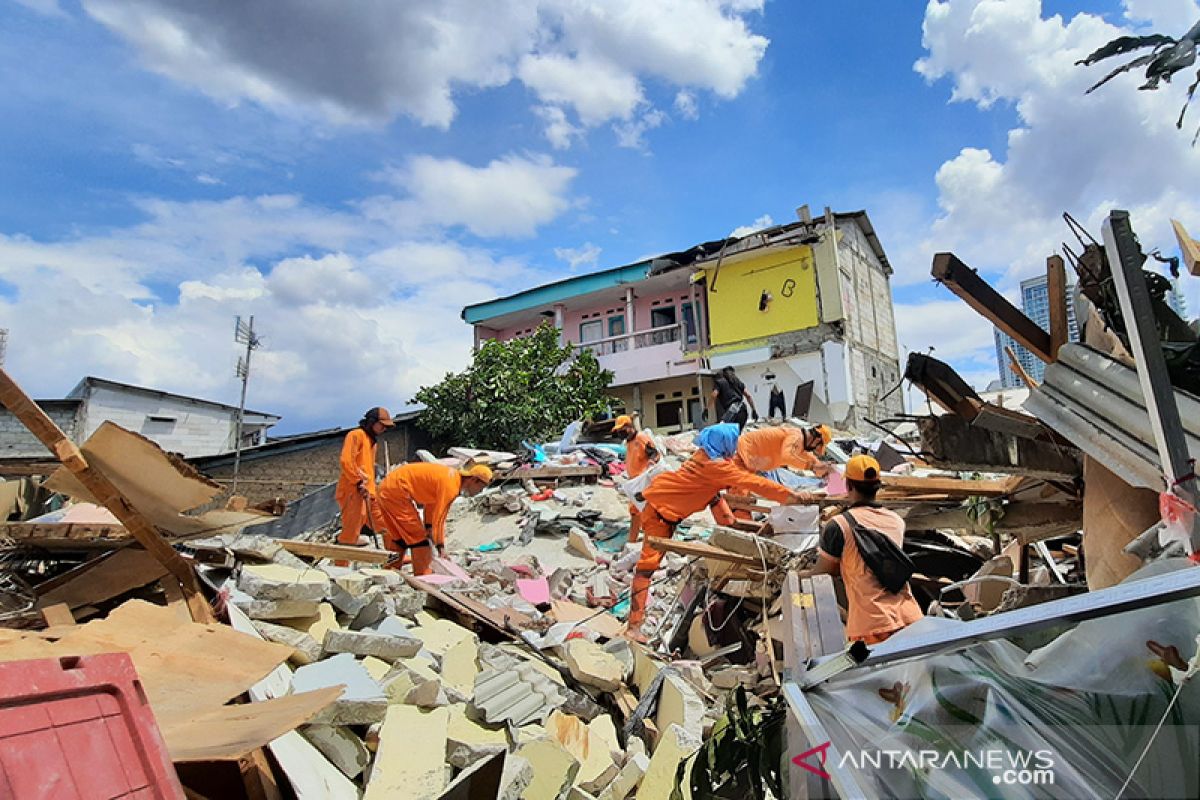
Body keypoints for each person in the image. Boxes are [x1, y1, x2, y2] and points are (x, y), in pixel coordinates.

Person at [625, 423, 815, 641]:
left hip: (670, 504)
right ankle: (633, 626)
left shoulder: (705, 456)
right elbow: (751, 481)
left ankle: (733, 528)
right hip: (658, 513)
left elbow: (712, 492)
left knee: (718, 503)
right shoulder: (715, 467)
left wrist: (737, 527)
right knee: (646, 569)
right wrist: (792, 496)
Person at [802, 455, 922, 644]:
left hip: (871, 626)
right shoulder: (897, 521)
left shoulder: (839, 525)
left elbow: (824, 572)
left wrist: (797, 576)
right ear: (877, 487)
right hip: (909, 618)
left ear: (848, 486)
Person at [375, 462, 493, 575]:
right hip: (396, 493)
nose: (480, 491)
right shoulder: (451, 486)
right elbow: (440, 518)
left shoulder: (450, 478)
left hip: (387, 488)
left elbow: (431, 503)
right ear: (473, 480)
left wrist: (428, 526)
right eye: (481, 487)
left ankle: (388, 570)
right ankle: (424, 577)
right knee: (419, 540)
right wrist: (440, 547)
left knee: (398, 540)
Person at [335, 407, 393, 546]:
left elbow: (367, 467)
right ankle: (341, 567)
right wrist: (358, 481)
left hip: (369, 492)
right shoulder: (355, 435)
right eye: (382, 425)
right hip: (353, 491)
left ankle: (395, 559)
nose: (384, 428)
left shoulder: (372, 442)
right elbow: (346, 461)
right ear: (372, 422)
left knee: (388, 525)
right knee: (351, 531)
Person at [613, 414, 659, 543]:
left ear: (629, 427)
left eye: (622, 430)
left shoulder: (641, 438)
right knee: (635, 513)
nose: (620, 433)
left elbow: (654, 454)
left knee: (647, 514)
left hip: (644, 482)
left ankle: (649, 542)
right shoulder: (628, 442)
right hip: (634, 483)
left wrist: (651, 464)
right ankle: (632, 542)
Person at [735, 424, 832, 477]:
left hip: (747, 459)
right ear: (817, 439)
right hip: (742, 455)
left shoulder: (799, 441)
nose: (815, 449)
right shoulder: (796, 437)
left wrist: (819, 465)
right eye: (817, 446)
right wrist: (811, 467)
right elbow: (787, 457)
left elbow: (804, 455)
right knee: (739, 498)